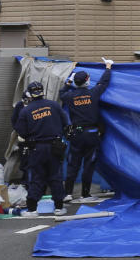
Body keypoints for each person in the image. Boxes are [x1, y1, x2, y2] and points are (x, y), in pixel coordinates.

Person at [13, 81, 70, 217]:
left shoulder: (26, 110)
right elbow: (65, 123)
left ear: (30, 94)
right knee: (55, 176)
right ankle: (59, 207)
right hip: (55, 146)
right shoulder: (54, 105)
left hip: (36, 148)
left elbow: (21, 131)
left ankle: (32, 209)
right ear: (42, 91)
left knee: (37, 177)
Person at [60, 59, 113, 203]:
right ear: (87, 81)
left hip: (76, 134)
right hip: (92, 134)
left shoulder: (69, 97)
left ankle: (68, 194)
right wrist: (108, 67)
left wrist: (68, 81)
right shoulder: (93, 94)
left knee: (73, 164)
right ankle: (85, 194)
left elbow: (61, 93)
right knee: (89, 164)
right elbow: (104, 82)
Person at [10, 89, 32, 184]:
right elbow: (14, 119)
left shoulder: (35, 106)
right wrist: (19, 130)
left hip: (34, 137)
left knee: (32, 161)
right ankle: (25, 181)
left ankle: (29, 181)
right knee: (24, 160)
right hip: (23, 138)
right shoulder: (19, 105)